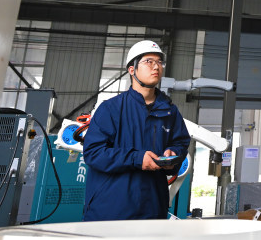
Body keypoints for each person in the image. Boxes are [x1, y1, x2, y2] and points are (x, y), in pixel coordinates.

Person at [82, 40, 191, 221]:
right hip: (111, 209)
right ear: (132, 70)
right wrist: (137, 158)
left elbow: (181, 143)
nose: (156, 66)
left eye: (159, 62)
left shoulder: (170, 112)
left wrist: (173, 154)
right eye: (149, 61)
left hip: (153, 208)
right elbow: (93, 153)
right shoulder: (111, 109)